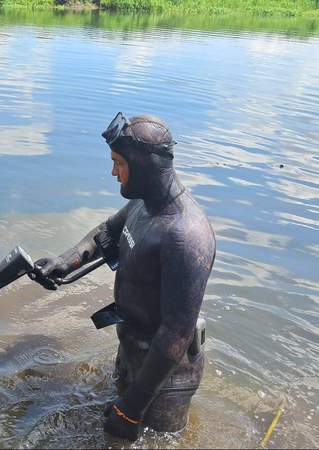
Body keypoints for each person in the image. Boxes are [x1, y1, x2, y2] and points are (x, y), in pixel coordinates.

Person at [29, 112, 216, 442]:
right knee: (113, 434)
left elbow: (176, 332)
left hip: (167, 376)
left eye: (119, 163)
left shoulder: (185, 237)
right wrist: (65, 262)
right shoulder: (142, 206)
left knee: (157, 441)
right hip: (132, 347)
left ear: (143, 165)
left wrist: (132, 405)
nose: (113, 172)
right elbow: (107, 232)